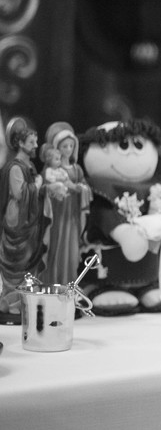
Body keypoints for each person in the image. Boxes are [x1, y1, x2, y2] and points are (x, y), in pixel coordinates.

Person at [0, 117, 50, 322]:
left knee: (28, 260)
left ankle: (23, 299)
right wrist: (38, 184)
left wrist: (46, 188)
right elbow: (20, 194)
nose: (36, 145)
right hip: (17, 221)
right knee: (17, 260)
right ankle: (12, 301)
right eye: (32, 142)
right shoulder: (15, 167)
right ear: (20, 144)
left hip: (29, 219)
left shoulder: (27, 164)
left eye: (36, 141)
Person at [42, 122, 94, 288]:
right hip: (57, 214)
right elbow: (44, 190)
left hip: (73, 213)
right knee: (56, 247)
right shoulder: (50, 170)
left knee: (71, 250)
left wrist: (82, 189)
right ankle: (55, 282)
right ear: (57, 148)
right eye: (65, 146)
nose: (69, 149)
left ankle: (70, 282)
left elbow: (85, 187)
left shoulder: (77, 169)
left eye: (71, 145)